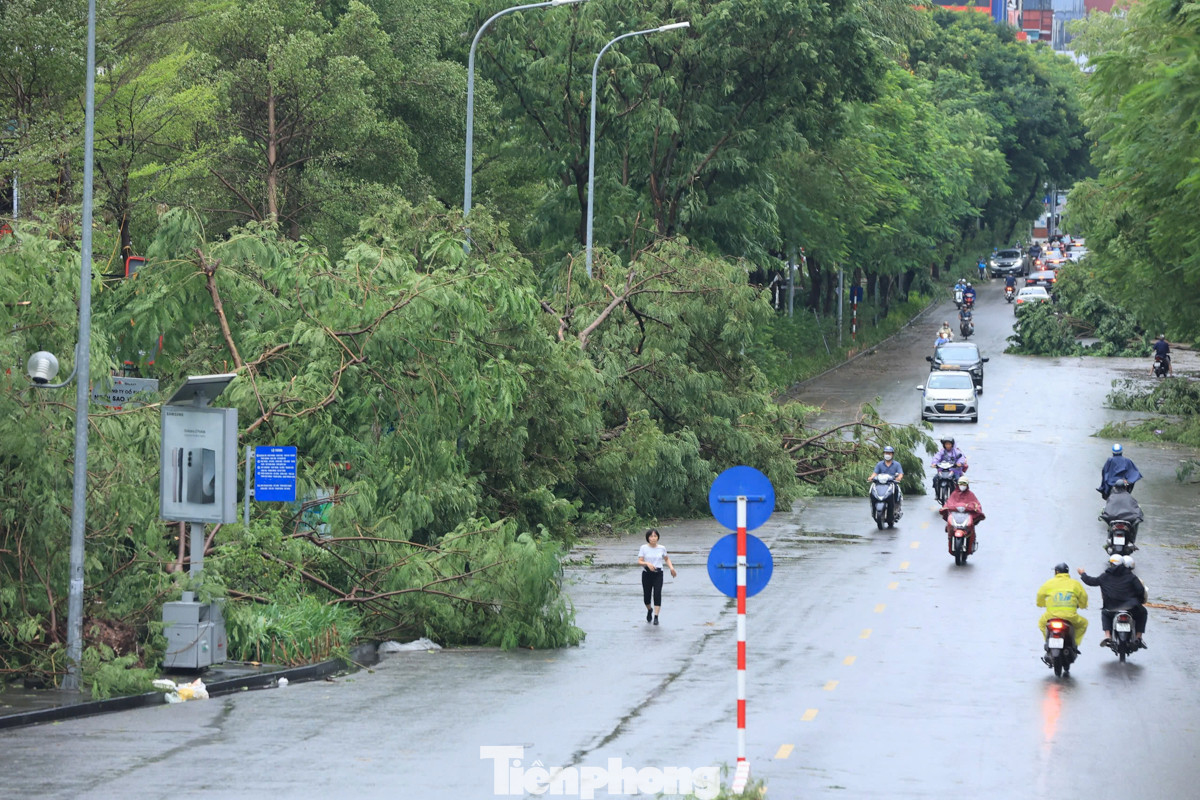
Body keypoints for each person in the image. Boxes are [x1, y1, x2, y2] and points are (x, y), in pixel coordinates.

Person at [1078, 555, 1148, 648]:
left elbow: (1091, 581)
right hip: (1131, 608)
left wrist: (1083, 574)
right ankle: (1138, 637)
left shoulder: (1105, 576)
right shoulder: (1131, 576)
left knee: (1105, 613)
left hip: (1111, 608)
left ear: (1111, 564)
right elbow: (1140, 590)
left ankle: (1107, 635)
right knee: (1143, 612)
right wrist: (1138, 600)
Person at [1036, 562, 1089, 648]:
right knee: (1083, 624)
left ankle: (1047, 641)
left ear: (1056, 572)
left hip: (1050, 616)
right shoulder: (1075, 584)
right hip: (1070, 617)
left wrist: (1041, 604)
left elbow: (1040, 595)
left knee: (1041, 623)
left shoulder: (1049, 583)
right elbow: (1084, 596)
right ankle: (1075, 644)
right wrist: (1082, 605)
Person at [637, 528, 676, 625]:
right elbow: (640, 561)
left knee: (657, 594)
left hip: (658, 573)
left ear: (658, 537)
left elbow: (666, 559)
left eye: (655, 536)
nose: (653, 538)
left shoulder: (662, 548)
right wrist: (647, 563)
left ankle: (656, 616)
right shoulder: (643, 548)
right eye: (651, 536)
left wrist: (671, 568)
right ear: (648, 538)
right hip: (647, 574)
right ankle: (649, 609)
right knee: (647, 596)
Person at [868, 445, 904, 513]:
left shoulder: (897, 464)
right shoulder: (879, 464)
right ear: (884, 454)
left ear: (892, 454)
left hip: (891, 483)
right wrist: (871, 477)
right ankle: (873, 505)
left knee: (896, 489)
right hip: (880, 484)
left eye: (889, 453)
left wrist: (899, 478)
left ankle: (896, 506)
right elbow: (875, 473)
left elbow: (900, 473)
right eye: (886, 453)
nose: (887, 455)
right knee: (872, 490)